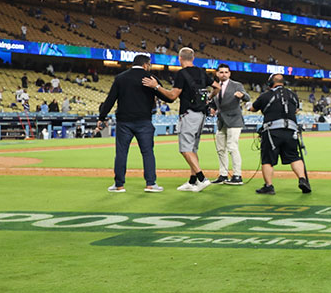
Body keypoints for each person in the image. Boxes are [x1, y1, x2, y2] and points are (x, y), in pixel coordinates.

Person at [142, 47, 212, 191]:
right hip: (201, 115)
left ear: (180, 58)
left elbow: (172, 96)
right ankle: (192, 182)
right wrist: (207, 100)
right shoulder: (202, 72)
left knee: (185, 149)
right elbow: (216, 86)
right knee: (192, 148)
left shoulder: (182, 74)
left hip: (188, 114)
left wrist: (156, 87)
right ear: (193, 58)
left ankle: (201, 178)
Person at [95, 54, 164, 192]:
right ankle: (150, 184)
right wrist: (156, 87)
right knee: (147, 152)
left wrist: (102, 117)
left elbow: (110, 100)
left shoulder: (120, 78)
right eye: (149, 65)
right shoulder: (151, 78)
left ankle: (119, 185)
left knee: (121, 152)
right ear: (145, 65)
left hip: (124, 122)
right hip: (144, 121)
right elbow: (165, 96)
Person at [249, 73, 310, 195]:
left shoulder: (266, 95)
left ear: (270, 83)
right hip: (291, 131)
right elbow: (296, 110)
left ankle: (269, 186)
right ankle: (302, 179)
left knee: (267, 160)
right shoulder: (293, 95)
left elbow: (253, 108)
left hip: (272, 131)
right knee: (294, 157)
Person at [208, 64, 251, 184]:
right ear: (217, 74)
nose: (223, 74)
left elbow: (247, 97)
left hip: (234, 120)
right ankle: (223, 175)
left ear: (229, 73)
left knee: (232, 147)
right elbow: (215, 102)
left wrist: (242, 96)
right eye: (221, 72)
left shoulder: (236, 85)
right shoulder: (215, 86)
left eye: (226, 72)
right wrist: (212, 108)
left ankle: (237, 175)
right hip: (221, 121)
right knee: (221, 149)